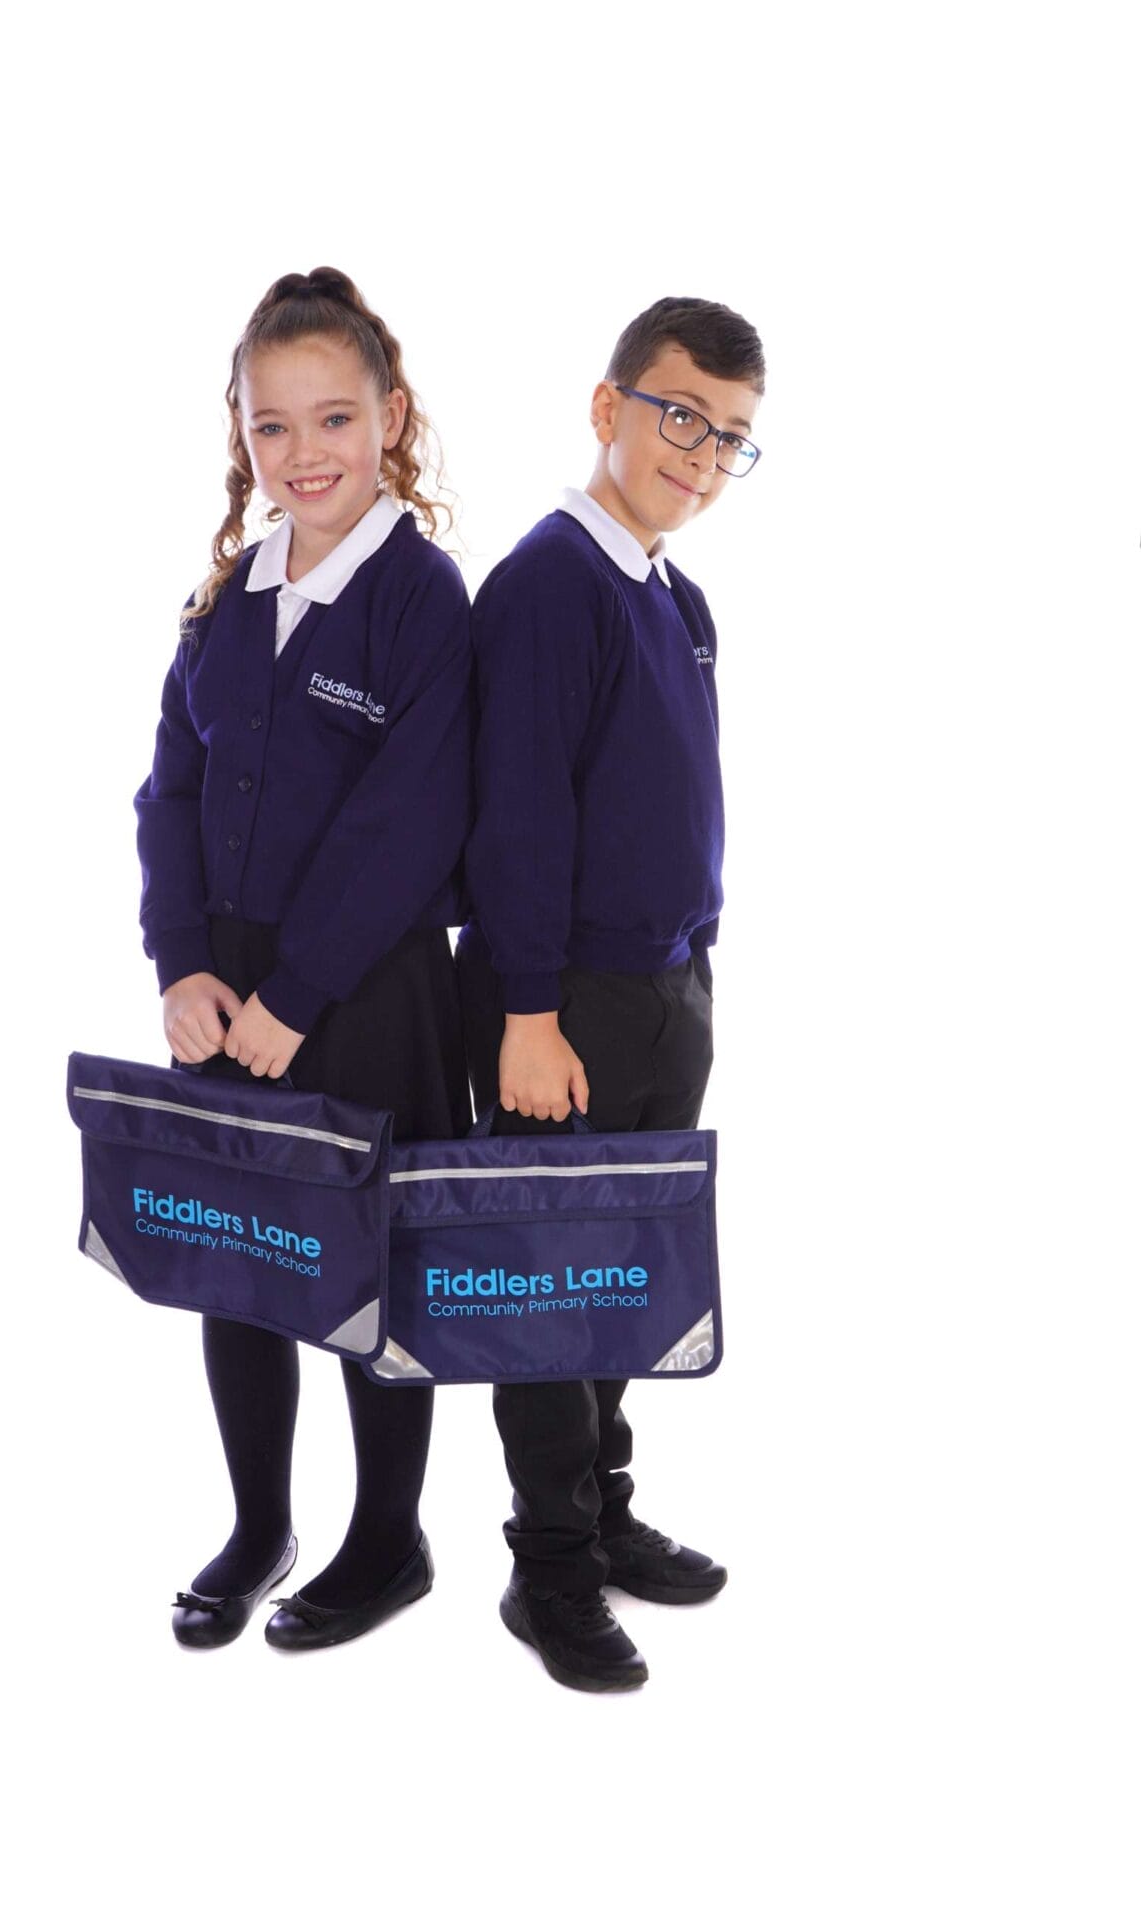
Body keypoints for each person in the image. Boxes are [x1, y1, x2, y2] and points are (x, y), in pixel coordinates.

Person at [134, 266, 473, 1652]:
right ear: (242, 433)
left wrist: (300, 992)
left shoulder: (422, 595)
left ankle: (389, 1539)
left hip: (369, 986)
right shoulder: (228, 595)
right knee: (242, 1259)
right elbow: (168, 794)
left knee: (372, 1267)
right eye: (271, 425)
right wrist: (180, 965)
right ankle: (259, 1524)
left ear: (391, 418)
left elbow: (412, 819)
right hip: (226, 992)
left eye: (335, 418)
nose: (304, 453)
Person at [455, 295, 766, 1691]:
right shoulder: (549, 585)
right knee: (547, 1281)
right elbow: (516, 818)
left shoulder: (674, 598)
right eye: (681, 416)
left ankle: (604, 1506)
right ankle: (550, 1567)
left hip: (664, 990)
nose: (703, 455)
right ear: (609, 407)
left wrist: (692, 969)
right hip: (560, 1003)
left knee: (624, 1271)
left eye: (733, 436)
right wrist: (528, 1013)